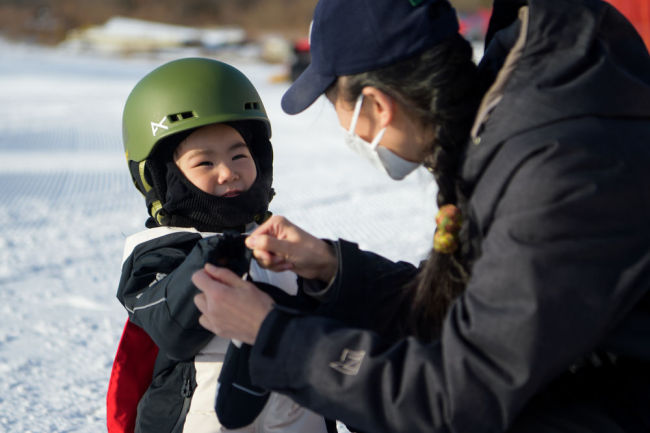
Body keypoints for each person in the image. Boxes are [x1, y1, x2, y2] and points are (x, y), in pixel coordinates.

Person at [191, 0, 650, 432]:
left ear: (378, 106)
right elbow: (469, 313)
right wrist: (332, 268)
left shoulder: (552, 170)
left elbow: (461, 397)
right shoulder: (507, 127)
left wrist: (271, 335)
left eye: (338, 108)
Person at [106, 58, 333, 433]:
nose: (228, 172)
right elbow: (170, 326)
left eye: (239, 155)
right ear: (160, 177)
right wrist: (221, 254)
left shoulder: (281, 240)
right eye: (205, 162)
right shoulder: (155, 254)